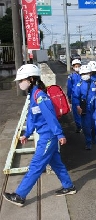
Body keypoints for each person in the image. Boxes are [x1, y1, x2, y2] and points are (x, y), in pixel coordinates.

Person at [3, 64, 76, 207]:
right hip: (45, 134)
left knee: (36, 165)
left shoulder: (41, 96)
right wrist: (27, 133)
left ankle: (19, 195)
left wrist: (59, 134)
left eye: (21, 80)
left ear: (31, 79)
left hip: (48, 135)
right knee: (56, 162)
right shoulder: (33, 95)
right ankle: (69, 186)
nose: (19, 83)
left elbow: (51, 116)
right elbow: (32, 117)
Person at [73, 65, 96, 150]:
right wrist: (78, 106)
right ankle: (88, 142)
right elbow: (75, 97)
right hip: (84, 108)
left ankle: (94, 137)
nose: (85, 75)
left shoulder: (95, 83)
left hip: (94, 109)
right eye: (83, 73)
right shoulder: (79, 85)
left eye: (86, 73)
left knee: (95, 126)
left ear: (90, 73)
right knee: (86, 127)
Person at [67, 59, 82, 133]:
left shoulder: (83, 75)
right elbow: (69, 87)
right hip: (75, 96)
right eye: (76, 66)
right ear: (73, 67)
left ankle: (83, 125)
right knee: (76, 112)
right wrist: (69, 96)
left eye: (78, 66)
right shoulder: (71, 77)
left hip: (82, 96)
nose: (77, 67)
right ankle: (79, 126)